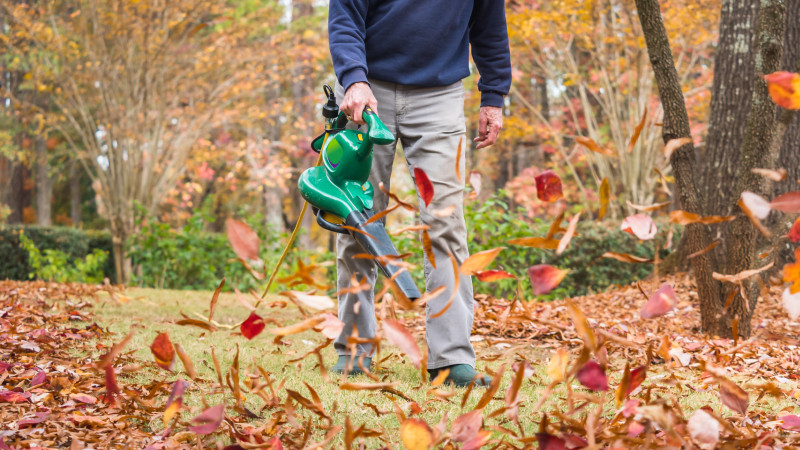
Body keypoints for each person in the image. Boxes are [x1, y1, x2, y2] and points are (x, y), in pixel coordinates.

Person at [327, 0, 512, 387]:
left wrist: (494, 95)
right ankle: (355, 350)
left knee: (445, 222)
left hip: (440, 95)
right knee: (357, 219)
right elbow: (345, 17)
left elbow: (490, 27)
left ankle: (451, 359)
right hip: (368, 92)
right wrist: (354, 78)